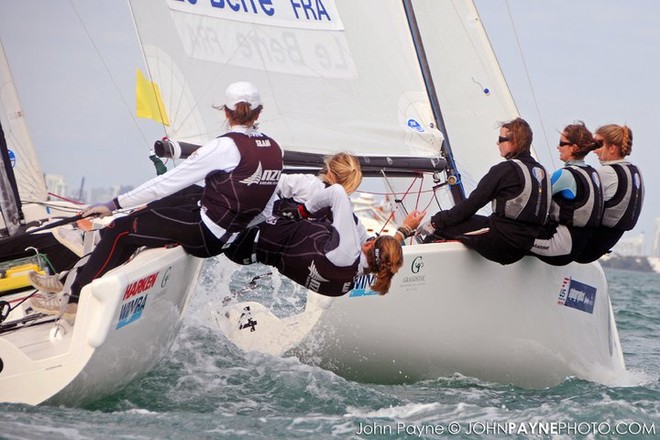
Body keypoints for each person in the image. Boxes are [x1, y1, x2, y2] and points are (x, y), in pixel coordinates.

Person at [29, 81, 284, 315]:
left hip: (205, 235)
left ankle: (72, 298)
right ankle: (74, 275)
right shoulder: (275, 149)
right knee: (186, 194)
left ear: (226, 113)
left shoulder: (224, 147)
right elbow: (267, 206)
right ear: (259, 113)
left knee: (121, 229)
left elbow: (165, 183)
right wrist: (235, 229)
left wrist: (112, 205)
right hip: (227, 235)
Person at [225, 152, 422, 296]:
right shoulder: (348, 278)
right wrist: (402, 232)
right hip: (244, 254)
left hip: (238, 233)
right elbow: (378, 251)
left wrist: (303, 211)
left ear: (327, 169)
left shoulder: (311, 187)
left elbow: (264, 183)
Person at [422, 117, 551, 265]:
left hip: (503, 241)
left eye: (501, 139)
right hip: (526, 243)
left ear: (514, 142)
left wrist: (435, 222)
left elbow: (471, 205)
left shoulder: (505, 170)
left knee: (441, 229)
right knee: (473, 223)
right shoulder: (543, 173)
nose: (497, 143)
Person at [530, 121, 603, 265]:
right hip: (576, 248)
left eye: (561, 143)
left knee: (509, 235)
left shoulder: (564, 175)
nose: (557, 147)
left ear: (574, 148)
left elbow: (533, 200)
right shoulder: (592, 173)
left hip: (557, 249)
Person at [575, 124, 644, 263]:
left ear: (612, 148)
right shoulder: (636, 172)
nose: (594, 150)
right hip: (600, 247)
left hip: (582, 248)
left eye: (598, 145)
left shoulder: (607, 172)